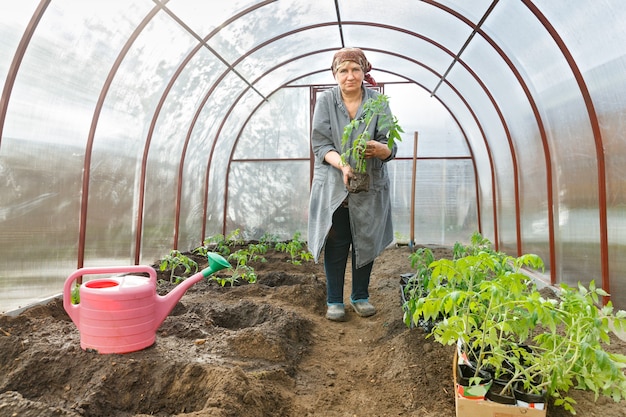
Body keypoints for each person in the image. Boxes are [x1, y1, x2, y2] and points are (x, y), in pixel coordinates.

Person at [308, 47, 398, 321]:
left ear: (364, 71)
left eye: (355, 69)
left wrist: (380, 150)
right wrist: (344, 165)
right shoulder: (326, 101)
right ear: (335, 74)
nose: (350, 76)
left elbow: (389, 143)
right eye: (343, 71)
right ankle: (334, 300)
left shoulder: (377, 102)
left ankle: (360, 296)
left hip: (369, 184)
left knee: (365, 239)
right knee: (336, 239)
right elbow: (321, 144)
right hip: (335, 183)